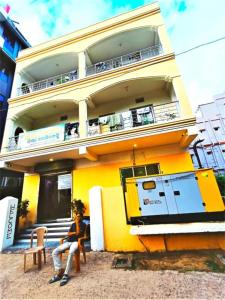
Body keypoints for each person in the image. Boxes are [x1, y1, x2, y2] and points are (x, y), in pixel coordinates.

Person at [48, 213, 86, 286]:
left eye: (78, 216)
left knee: (71, 252)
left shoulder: (83, 224)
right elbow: (68, 233)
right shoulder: (73, 224)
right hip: (68, 241)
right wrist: (73, 232)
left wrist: (77, 224)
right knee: (54, 252)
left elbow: (78, 234)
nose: (77, 217)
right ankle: (60, 271)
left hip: (76, 242)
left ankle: (66, 274)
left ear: (81, 217)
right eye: (76, 216)